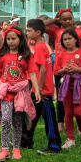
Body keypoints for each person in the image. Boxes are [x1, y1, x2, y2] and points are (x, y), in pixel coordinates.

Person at [0, 27, 41, 161]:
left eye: (14, 39)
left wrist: (36, 89)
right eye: (8, 39)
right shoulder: (2, 54)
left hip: (20, 93)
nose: (11, 42)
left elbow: (33, 72)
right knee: (6, 119)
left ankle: (16, 148)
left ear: (20, 39)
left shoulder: (26, 55)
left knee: (17, 121)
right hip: (6, 92)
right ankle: (5, 148)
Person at [23, 19, 62, 154]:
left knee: (49, 118)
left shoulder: (40, 47)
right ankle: (25, 141)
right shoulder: (43, 45)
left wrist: (38, 89)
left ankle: (55, 145)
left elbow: (43, 69)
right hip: (40, 89)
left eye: (29, 31)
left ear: (38, 32)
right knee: (32, 115)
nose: (27, 33)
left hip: (43, 90)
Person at [54, 28, 81, 148]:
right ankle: (70, 139)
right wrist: (64, 70)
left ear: (76, 39)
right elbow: (57, 71)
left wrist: (77, 70)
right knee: (68, 112)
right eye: (64, 39)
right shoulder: (61, 55)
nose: (67, 41)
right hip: (66, 85)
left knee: (78, 112)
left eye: (69, 38)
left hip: (79, 85)